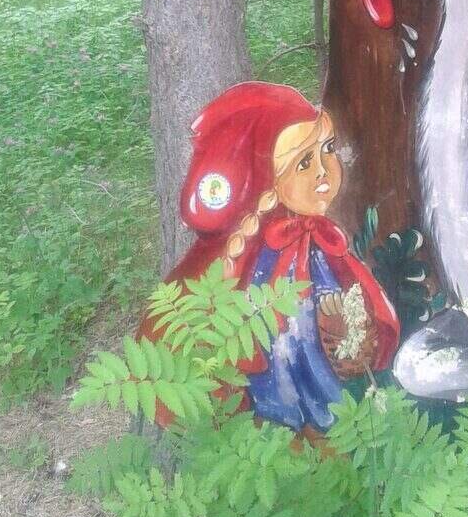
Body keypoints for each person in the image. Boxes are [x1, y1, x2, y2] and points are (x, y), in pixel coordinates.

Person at [138, 82, 399, 432]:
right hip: (275, 406)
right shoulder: (262, 261)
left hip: (334, 400)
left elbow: (349, 303)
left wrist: (350, 333)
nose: (324, 171)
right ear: (270, 180)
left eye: (328, 149)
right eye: (304, 162)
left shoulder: (323, 247)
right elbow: (267, 334)